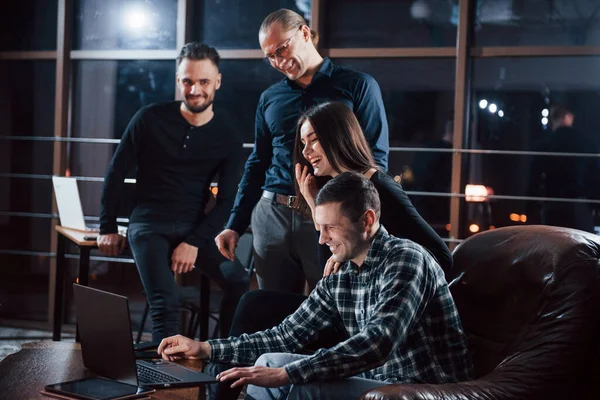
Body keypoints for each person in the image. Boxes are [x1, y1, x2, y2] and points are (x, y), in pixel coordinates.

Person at [159, 172, 471, 400]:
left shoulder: (406, 260)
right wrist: (205, 347)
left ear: (367, 220)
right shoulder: (342, 273)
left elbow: (377, 343)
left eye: (330, 228)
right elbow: (286, 335)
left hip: (423, 388)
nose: (321, 239)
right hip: (377, 381)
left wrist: (289, 373)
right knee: (268, 362)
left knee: (294, 381)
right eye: (319, 228)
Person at [214, 8, 389, 294]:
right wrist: (235, 224)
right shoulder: (270, 98)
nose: (278, 62)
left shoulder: (358, 86)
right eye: (270, 56)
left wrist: (355, 222)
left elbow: (376, 160)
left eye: (281, 49)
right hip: (272, 213)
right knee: (273, 311)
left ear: (305, 33)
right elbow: (258, 162)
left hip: (330, 215)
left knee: (334, 305)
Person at [97, 42, 246, 342]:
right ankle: (164, 384)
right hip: (148, 224)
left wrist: (193, 241)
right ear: (178, 81)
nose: (194, 90)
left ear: (217, 81)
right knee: (167, 303)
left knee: (239, 282)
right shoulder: (149, 118)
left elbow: (228, 199)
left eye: (203, 81)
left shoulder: (228, 133)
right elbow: (115, 172)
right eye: (187, 81)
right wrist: (108, 227)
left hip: (196, 227)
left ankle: (220, 360)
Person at [295, 101, 452, 273]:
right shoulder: (334, 192)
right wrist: (313, 204)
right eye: (303, 143)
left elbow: (441, 257)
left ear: (339, 137)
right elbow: (329, 274)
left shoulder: (380, 187)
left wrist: (360, 254)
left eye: (314, 140)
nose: (305, 152)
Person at [528, 105, 599, 232]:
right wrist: (595, 205)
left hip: (553, 203)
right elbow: (594, 176)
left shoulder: (545, 145)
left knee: (554, 244)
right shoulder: (586, 143)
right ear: (567, 117)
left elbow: (534, 178)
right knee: (582, 245)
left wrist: (531, 207)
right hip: (579, 204)